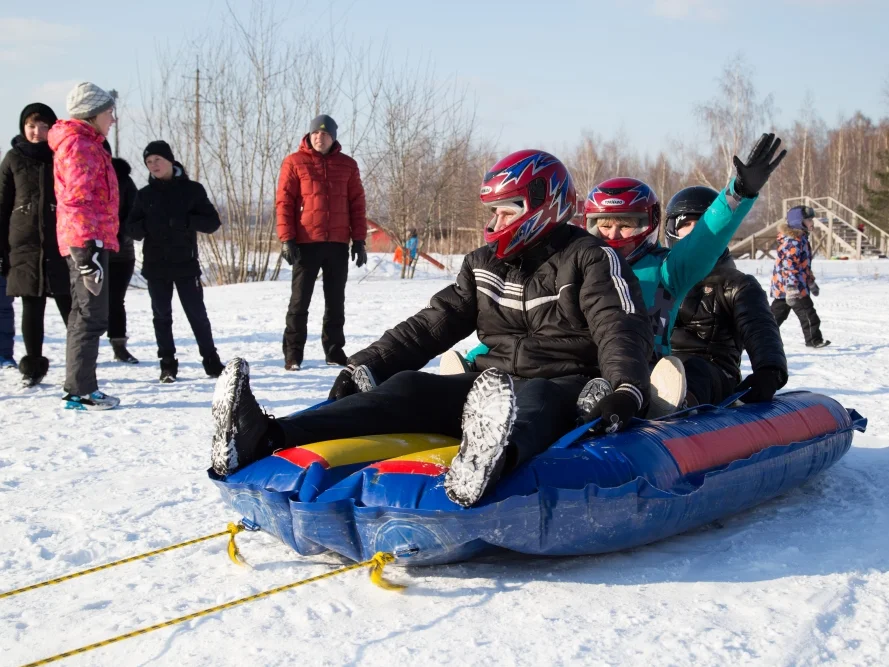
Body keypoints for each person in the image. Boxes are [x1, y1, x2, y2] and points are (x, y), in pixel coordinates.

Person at [211, 150, 654, 508]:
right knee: (408, 387)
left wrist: (624, 388)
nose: (496, 223)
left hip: (565, 382)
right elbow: (431, 325)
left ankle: (488, 464)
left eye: (507, 211)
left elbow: (620, 324)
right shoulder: (484, 263)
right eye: (493, 212)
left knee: (533, 398)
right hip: (493, 386)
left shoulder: (591, 257)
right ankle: (265, 435)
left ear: (543, 204)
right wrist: (365, 366)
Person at [443, 134, 787, 419]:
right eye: (603, 225)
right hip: (579, 365)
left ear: (648, 224)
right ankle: (480, 381)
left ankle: (659, 402)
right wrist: (478, 356)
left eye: (626, 224)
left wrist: (738, 192)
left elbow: (704, 239)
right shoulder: (577, 262)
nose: (613, 234)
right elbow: (528, 319)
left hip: (640, 364)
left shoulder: (666, 268)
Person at [665, 186, 788, 405]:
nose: (697, 233)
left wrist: (769, 371)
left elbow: (760, 329)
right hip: (661, 367)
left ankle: (677, 406)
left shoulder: (738, 285)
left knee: (692, 369)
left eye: (704, 225)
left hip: (712, 373)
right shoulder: (660, 278)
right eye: (686, 224)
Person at [276, 114, 368, 371]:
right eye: (316, 133)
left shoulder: (348, 165)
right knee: (299, 301)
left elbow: (357, 204)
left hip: (338, 243)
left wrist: (359, 240)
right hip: (305, 243)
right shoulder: (295, 162)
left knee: (335, 301)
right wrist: (287, 239)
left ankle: (334, 350)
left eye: (325, 134)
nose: (320, 137)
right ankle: (293, 354)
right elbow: (284, 202)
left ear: (333, 137)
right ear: (309, 135)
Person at [48, 83, 120, 410]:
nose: (113, 119)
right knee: (91, 316)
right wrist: (89, 249)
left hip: (85, 238)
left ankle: (78, 388)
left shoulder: (84, 143)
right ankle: (81, 391)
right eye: (109, 112)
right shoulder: (80, 146)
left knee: (84, 315)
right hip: (86, 240)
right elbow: (76, 200)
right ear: (92, 113)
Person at [127, 141, 223, 383]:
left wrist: (185, 222)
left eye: (157, 159)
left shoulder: (192, 190)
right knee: (162, 316)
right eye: (149, 162)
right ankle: (167, 364)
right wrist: (148, 225)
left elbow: (212, 223)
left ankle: (211, 361)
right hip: (156, 266)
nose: (154, 165)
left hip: (185, 265)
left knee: (197, 314)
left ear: (170, 160)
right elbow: (131, 228)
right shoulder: (144, 195)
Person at [0, 103, 72, 384]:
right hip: (25, 244)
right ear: (23, 127)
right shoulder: (13, 159)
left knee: (69, 304)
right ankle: (32, 367)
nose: (36, 131)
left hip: (61, 242)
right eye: (31, 125)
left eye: (43, 126)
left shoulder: (63, 155)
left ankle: (79, 364)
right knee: (32, 305)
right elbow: (3, 205)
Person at [770, 205, 829, 348]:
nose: (812, 223)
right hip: (793, 287)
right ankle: (814, 340)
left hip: (793, 285)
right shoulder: (793, 241)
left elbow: (803, 265)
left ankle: (756, 337)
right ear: (799, 222)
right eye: (808, 220)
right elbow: (789, 266)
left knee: (774, 318)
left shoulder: (800, 239)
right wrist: (791, 287)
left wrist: (811, 282)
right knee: (808, 314)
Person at [105, 140, 139, 364]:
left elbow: (135, 215)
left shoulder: (124, 180)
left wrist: (118, 235)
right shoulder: (81, 177)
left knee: (116, 300)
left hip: (120, 252)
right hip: (88, 251)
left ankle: (119, 347)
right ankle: (83, 352)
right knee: (86, 304)